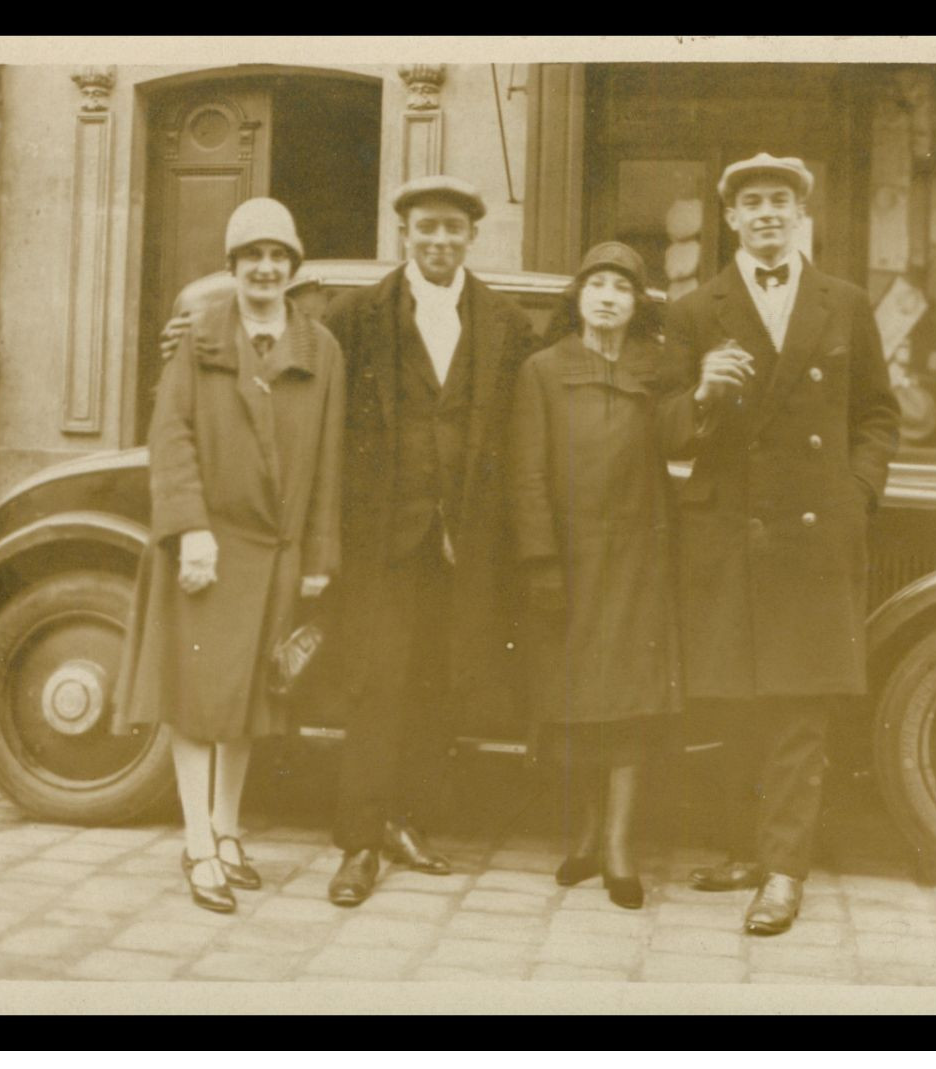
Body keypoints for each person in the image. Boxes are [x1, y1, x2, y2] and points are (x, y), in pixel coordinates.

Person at [656, 154, 900, 936]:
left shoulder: (845, 302)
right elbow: (659, 425)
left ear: (801, 214)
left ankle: (784, 873)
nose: (766, 213)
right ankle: (744, 850)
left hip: (812, 536)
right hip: (727, 534)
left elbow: (877, 416)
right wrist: (700, 392)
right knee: (732, 703)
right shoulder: (696, 310)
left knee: (797, 708)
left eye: (780, 201)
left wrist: (852, 496)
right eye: (752, 202)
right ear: (729, 219)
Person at [114, 197, 344, 914]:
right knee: (195, 699)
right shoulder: (200, 338)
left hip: (276, 553)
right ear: (233, 268)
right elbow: (172, 433)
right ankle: (197, 842)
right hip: (208, 550)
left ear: (293, 269)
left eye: (278, 257)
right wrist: (190, 530)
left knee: (250, 701)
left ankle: (228, 828)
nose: (265, 269)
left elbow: (329, 460)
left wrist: (316, 554)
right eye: (251, 257)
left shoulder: (322, 350)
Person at [320, 175, 541, 906]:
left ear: (471, 236)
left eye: (453, 228)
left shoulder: (505, 323)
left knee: (439, 683)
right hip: (381, 536)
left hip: (466, 541)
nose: (440, 240)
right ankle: (358, 841)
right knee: (375, 682)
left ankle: (404, 821)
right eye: (426, 228)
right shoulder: (356, 315)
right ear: (404, 234)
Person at [508, 241, 680, 910]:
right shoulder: (542, 371)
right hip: (570, 562)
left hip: (639, 560)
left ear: (637, 305)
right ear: (577, 298)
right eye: (597, 284)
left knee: (630, 703)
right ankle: (581, 829)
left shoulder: (657, 372)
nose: (608, 296)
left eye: (622, 287)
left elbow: (680, 442)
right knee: (572, 700)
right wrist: (540, 560)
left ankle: (617, 842)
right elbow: (525, 473)